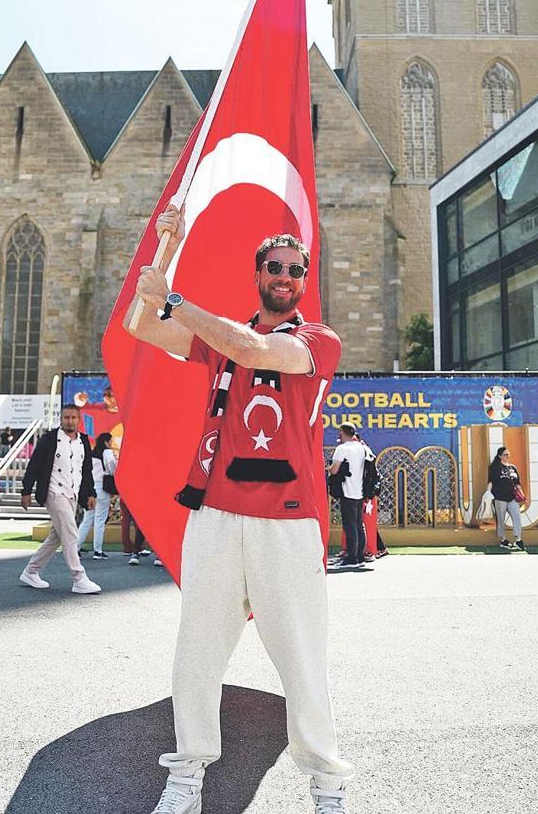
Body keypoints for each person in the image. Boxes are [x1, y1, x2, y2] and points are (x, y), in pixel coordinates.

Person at [126, 204, 352, 814]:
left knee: (301, 656)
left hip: (288, 517)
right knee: (197, 649)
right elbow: (139, 325)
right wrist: (165, 247)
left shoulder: (317, 340)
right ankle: (187, 771)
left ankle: (326, 782)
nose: (284, 276)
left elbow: (252, 348)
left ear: (304, 280)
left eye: (295, 269)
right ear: (258, 274)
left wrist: (176, 302)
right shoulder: (218, 342)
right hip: (217, 513)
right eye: (274, 267)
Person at [19, 405, 101, 594]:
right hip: (54, 492)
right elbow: (34, 466)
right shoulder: (49, 439)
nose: (69, 421)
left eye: (73, 417)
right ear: (61, 418)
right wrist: (26, 491)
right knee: (71, 533)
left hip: (73, 493)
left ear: (78, 420)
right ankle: (79, 578)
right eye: (66, 417)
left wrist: (91, 494)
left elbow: (86, 470)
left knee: (57, 536)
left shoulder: (84, 442)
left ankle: (31, 571)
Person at [328, 423, 371, 571]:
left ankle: (352, 558)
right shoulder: (360, 447)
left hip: (347, 491)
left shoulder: (342, 448)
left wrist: (327, 468)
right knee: (359, 525)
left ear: (342, 432)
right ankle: (359, 556)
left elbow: (334, 470)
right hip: (359, 491)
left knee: (350, 526)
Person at [77, 432, 114, 559]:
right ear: (106, 442)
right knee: (100, 520)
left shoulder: (92, 454)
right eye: (110, 441)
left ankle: (75, 548)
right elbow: (112, 466)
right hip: (102, 487)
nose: (111, 444)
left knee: (87, 519)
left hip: (91, 487)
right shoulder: (107, 453)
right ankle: (97, 550)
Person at [486, 447, 525, 551]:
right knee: (501, 519)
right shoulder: (495, 467)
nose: (507, 456)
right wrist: (488, 492)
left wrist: (522, 494)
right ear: (500, 456)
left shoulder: (512, 467)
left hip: (512, 497)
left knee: (517, 517)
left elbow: (517, 483)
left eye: (508, 454)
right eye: (505, 455)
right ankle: (503, 539)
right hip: (499, 497)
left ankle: (518, 539)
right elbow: (491, 481)